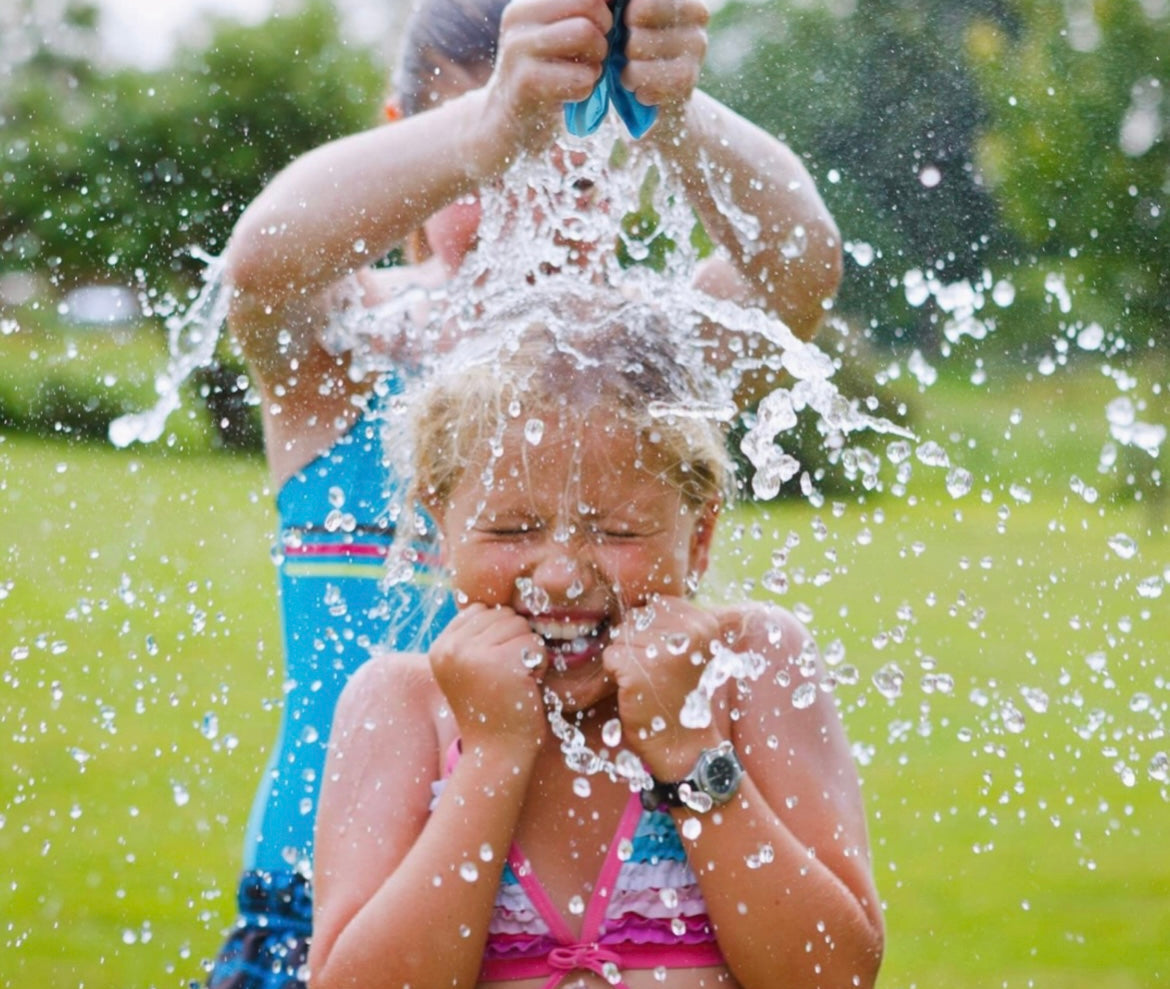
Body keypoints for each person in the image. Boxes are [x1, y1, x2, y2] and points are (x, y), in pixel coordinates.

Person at [208, 0, 843, 983]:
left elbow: (798, 269)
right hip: (332, 919)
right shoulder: (354, 361)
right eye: (496, 162)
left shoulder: (643, 373)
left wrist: (672, 112)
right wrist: (493, 124)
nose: (526, 202)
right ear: (412, 144)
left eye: (564, 161)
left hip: (615, 908)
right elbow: (263, 262)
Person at [309, 288, 884, 989]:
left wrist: (689, 748)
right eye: (510, 530)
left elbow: (834, 975)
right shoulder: (402, 706)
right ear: (440, 521)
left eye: (617, 531)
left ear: (698, 536)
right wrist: (491, 756)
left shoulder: (748, 670)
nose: (558, 576)